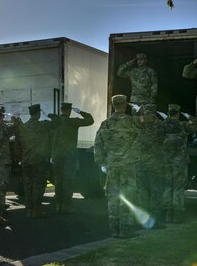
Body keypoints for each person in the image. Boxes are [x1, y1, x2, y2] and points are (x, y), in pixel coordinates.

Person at [94, 95, 141, 238]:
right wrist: (138, 110)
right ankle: (124, 230)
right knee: (127, 196)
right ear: (125, 104)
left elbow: (98, 145)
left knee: (113, 197)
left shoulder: (105, 124)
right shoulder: (133, 122)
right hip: (128, 165)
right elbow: (145, 131)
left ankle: (114, 229)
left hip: (112, 165)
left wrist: (101, 163)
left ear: (112, 105)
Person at [48, 102, 94, 213]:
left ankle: (58, 204)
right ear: (69, 110)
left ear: (61, 110)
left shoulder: (54, 123)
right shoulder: (72, 122)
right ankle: (66, 205)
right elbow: (90, 120)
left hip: (56, 156)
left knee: (58, 181)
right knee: (68, 181)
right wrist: (80, 112)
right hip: (69, 156)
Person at [158, 104, 197, 223]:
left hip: (165, 161)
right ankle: (177, 215)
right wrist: (191, 118)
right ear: (178, 112)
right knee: (178, 187)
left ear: (168, 112)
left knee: (167, 186)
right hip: (179, 162)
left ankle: (167, 214)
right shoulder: (183, 125)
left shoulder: (162, 125)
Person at [19, 104, 53, 218]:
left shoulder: (23, 127)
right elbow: (57, 122)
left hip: (26, 161)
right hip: (39, 161)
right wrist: (49, 114)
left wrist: (20, 158)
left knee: (28, 186)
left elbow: (18, 145)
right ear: (38, 113)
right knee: (38, 185)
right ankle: (36, 209)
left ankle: (29, 210)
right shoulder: (43, 125)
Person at [135, 103, 166, 228]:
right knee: (155, 192)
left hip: (139, 163)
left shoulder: (137, 122)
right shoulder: (159, 124)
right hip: (154, 164)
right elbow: (163, 138)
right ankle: (153, 221)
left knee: (142, 192)